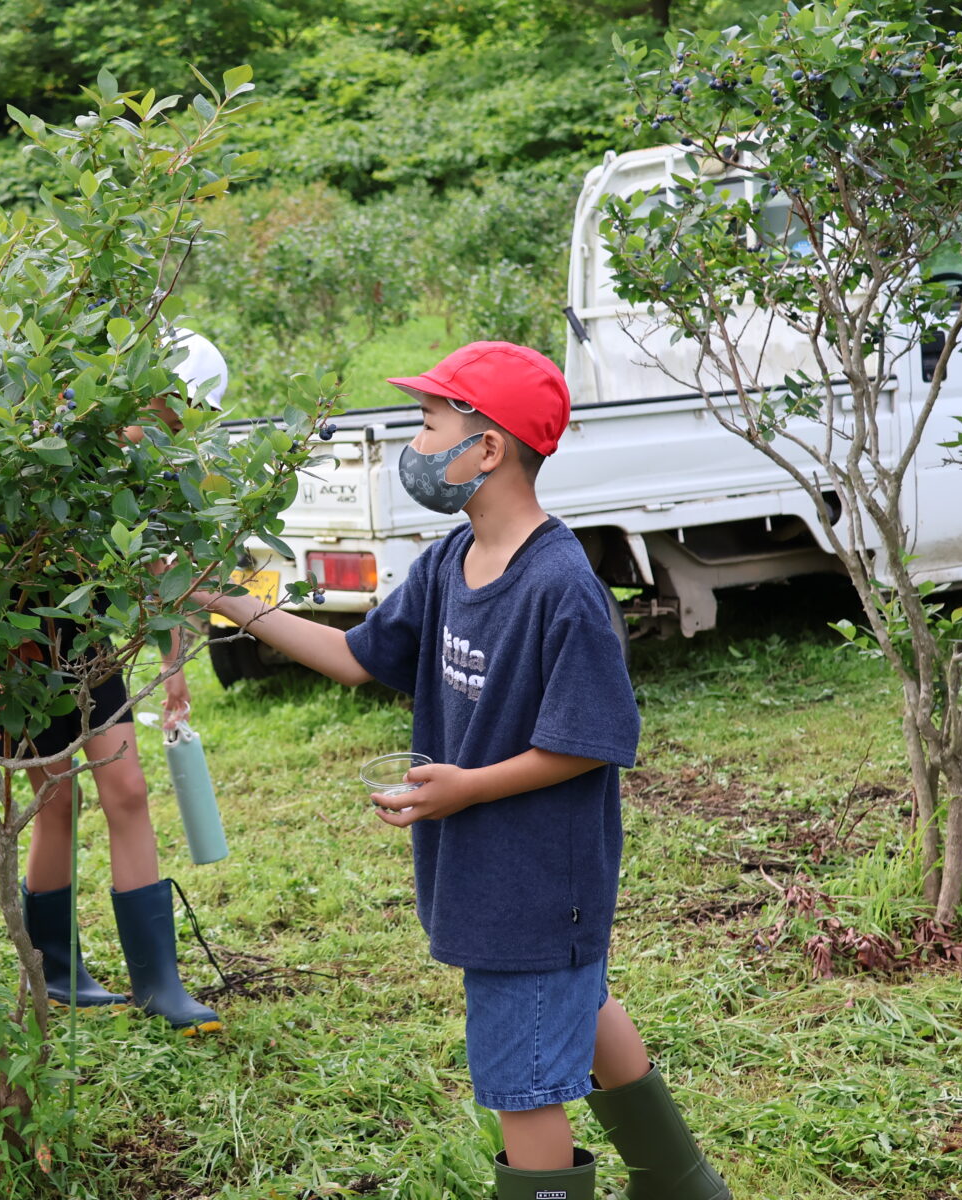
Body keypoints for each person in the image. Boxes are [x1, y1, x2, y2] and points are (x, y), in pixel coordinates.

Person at [198, 342, 730, 1199]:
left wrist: (466, 786)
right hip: (496, 872)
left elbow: (590, 741)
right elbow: (356, 656)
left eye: (428, 423)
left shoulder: (561, 586)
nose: (416, 444)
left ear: (488, 450)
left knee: (523, 1082)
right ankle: (682, 1184)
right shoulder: (451, 562)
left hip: (534, 876)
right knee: (578, 1007)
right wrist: (231, 603)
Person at [8, 326, 230, 1035]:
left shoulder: (156, 471)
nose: (169, 430)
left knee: (127, 790)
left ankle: (158, 983)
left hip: (93, 643)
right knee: (55, 802)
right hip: (21, 645)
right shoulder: (56, 440)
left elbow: (159, 575)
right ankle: (57, 966)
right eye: (167, 413)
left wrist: (173, 678)